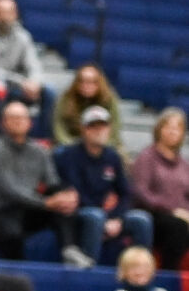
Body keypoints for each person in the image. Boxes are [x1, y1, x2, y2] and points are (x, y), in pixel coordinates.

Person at [0, 102, 83, 265]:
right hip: (2, 209)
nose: (17, 121)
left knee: (63, 201)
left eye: (22, 118)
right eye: (12, 118)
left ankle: (69, 250)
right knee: (10, 232)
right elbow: (10, 190)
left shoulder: (39, 151)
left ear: (30, 123)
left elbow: (53, 182)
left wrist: (67, 196)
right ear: (3, 123)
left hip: (30, 209)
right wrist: (46, 203)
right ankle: (19, 270)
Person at [56, 107, 152, 265]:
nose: (98, 131)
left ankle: (140, 270)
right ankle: (88, 272)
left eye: (102, 127)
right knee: (95, 217)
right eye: (93, 127)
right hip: (78, 212)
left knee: (141, 220)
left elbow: (125, 193)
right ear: (83, 129)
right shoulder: (70, 155)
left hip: (106, 214)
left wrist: (117, 218)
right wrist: (106, 218)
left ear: (109, 129)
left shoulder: (112, 156)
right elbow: (75, 192)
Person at [132, 108, 189, 271]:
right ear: (159, 129)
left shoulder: (184, 165)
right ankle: (168, 276)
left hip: (182, 217)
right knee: (177, 227)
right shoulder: (147, 157)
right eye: (168, 126)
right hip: (153, 216)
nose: (172, 131)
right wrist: (173, 210)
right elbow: (141, 192)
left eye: (177, 128)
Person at [54, 65, 121, 147]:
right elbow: (59, 128)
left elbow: (114, 130)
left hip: (104, 145)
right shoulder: (66, 98)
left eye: (92, 82)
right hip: (72, 144)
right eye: (82, 81)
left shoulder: (109, 100)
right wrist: (71, 147)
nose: (86, 85)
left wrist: (101, 147)